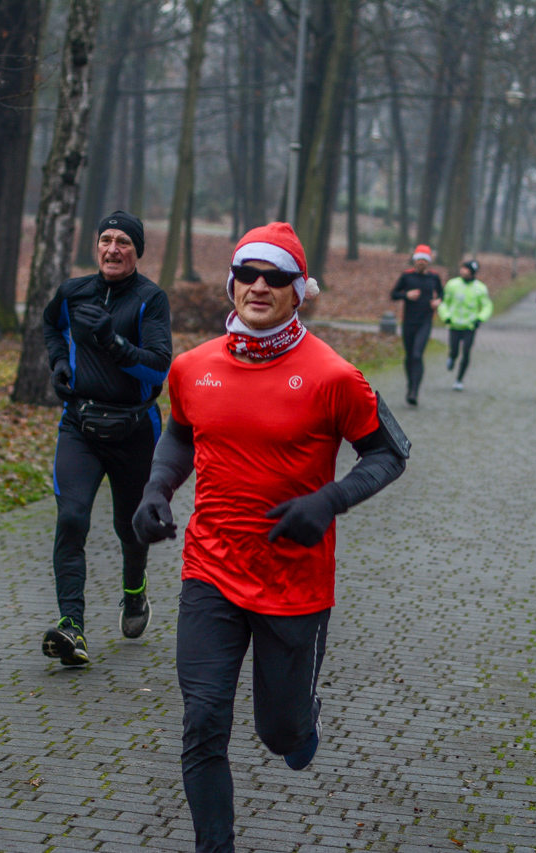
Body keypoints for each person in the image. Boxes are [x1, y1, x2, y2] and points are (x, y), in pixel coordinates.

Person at [132, 222, 408, 853]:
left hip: (294, 582)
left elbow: (389, 453)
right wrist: (155, 490)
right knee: (203, 722)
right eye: (248, 274)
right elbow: (180, 435)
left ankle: (300, 721)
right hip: (210, 570)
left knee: (279, 735)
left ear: (298, 291)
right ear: (232, 283)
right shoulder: (192, 366)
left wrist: (328, 501)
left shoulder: (335, 375)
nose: (259, 286)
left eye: (275, 277)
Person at [40, 211, 172, 667]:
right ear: (96, 246)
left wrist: (112, 342)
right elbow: (51, 326)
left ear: (137, 251)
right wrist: (59, 363)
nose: (113, 249)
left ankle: (134, 593)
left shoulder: (150, 299)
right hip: (80, 425)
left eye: (123, 242)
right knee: (72, 517)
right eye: (105, 240)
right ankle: (71, 626)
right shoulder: (72, 292)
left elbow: (158, 367)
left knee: (130, 527)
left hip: (134, 429)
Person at [390, 244, 443, 406]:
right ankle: (410, 384)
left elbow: (442, 293)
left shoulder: (434, 277)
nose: (421, 262)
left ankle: (414, 391)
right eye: (419, 259)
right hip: (408, 321)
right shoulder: (407, 276)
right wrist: (407, 294)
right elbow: (393, 294)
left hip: (425, 321)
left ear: (428, 262)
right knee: (409, 356)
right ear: (415, 260)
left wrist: (438, 301)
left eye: (424, 260)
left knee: (417, 355)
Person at [438, 260, 493, 390]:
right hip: (454, 324)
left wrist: (480, 319)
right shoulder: (452, 285)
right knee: (455, 350)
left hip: (470, 325)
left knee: (467, 351)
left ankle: (459, 380)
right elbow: (444, 302)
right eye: (462, 268)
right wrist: (446, 316)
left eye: (466, 269)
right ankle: (451, 357)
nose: (463, 271)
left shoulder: (480, 288)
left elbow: (487, 306)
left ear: (472, 272)